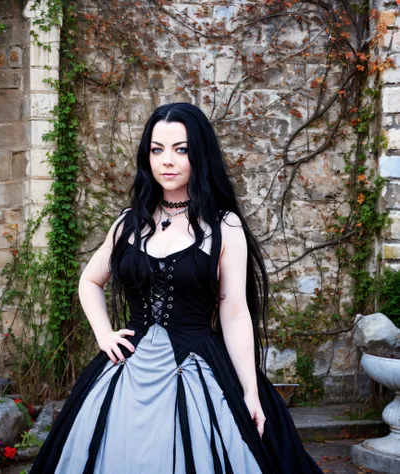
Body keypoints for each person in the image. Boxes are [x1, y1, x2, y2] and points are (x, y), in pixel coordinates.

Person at [29, 102, 323, 474]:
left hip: (199, 369)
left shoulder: (224, 226)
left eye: (180, 150)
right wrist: (103, 334)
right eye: (157, 149)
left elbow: (234, 312)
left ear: (199, 154)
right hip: (125, 371)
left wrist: (250, 389)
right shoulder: (128, 223)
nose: (167, 160)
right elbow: (89, 281)